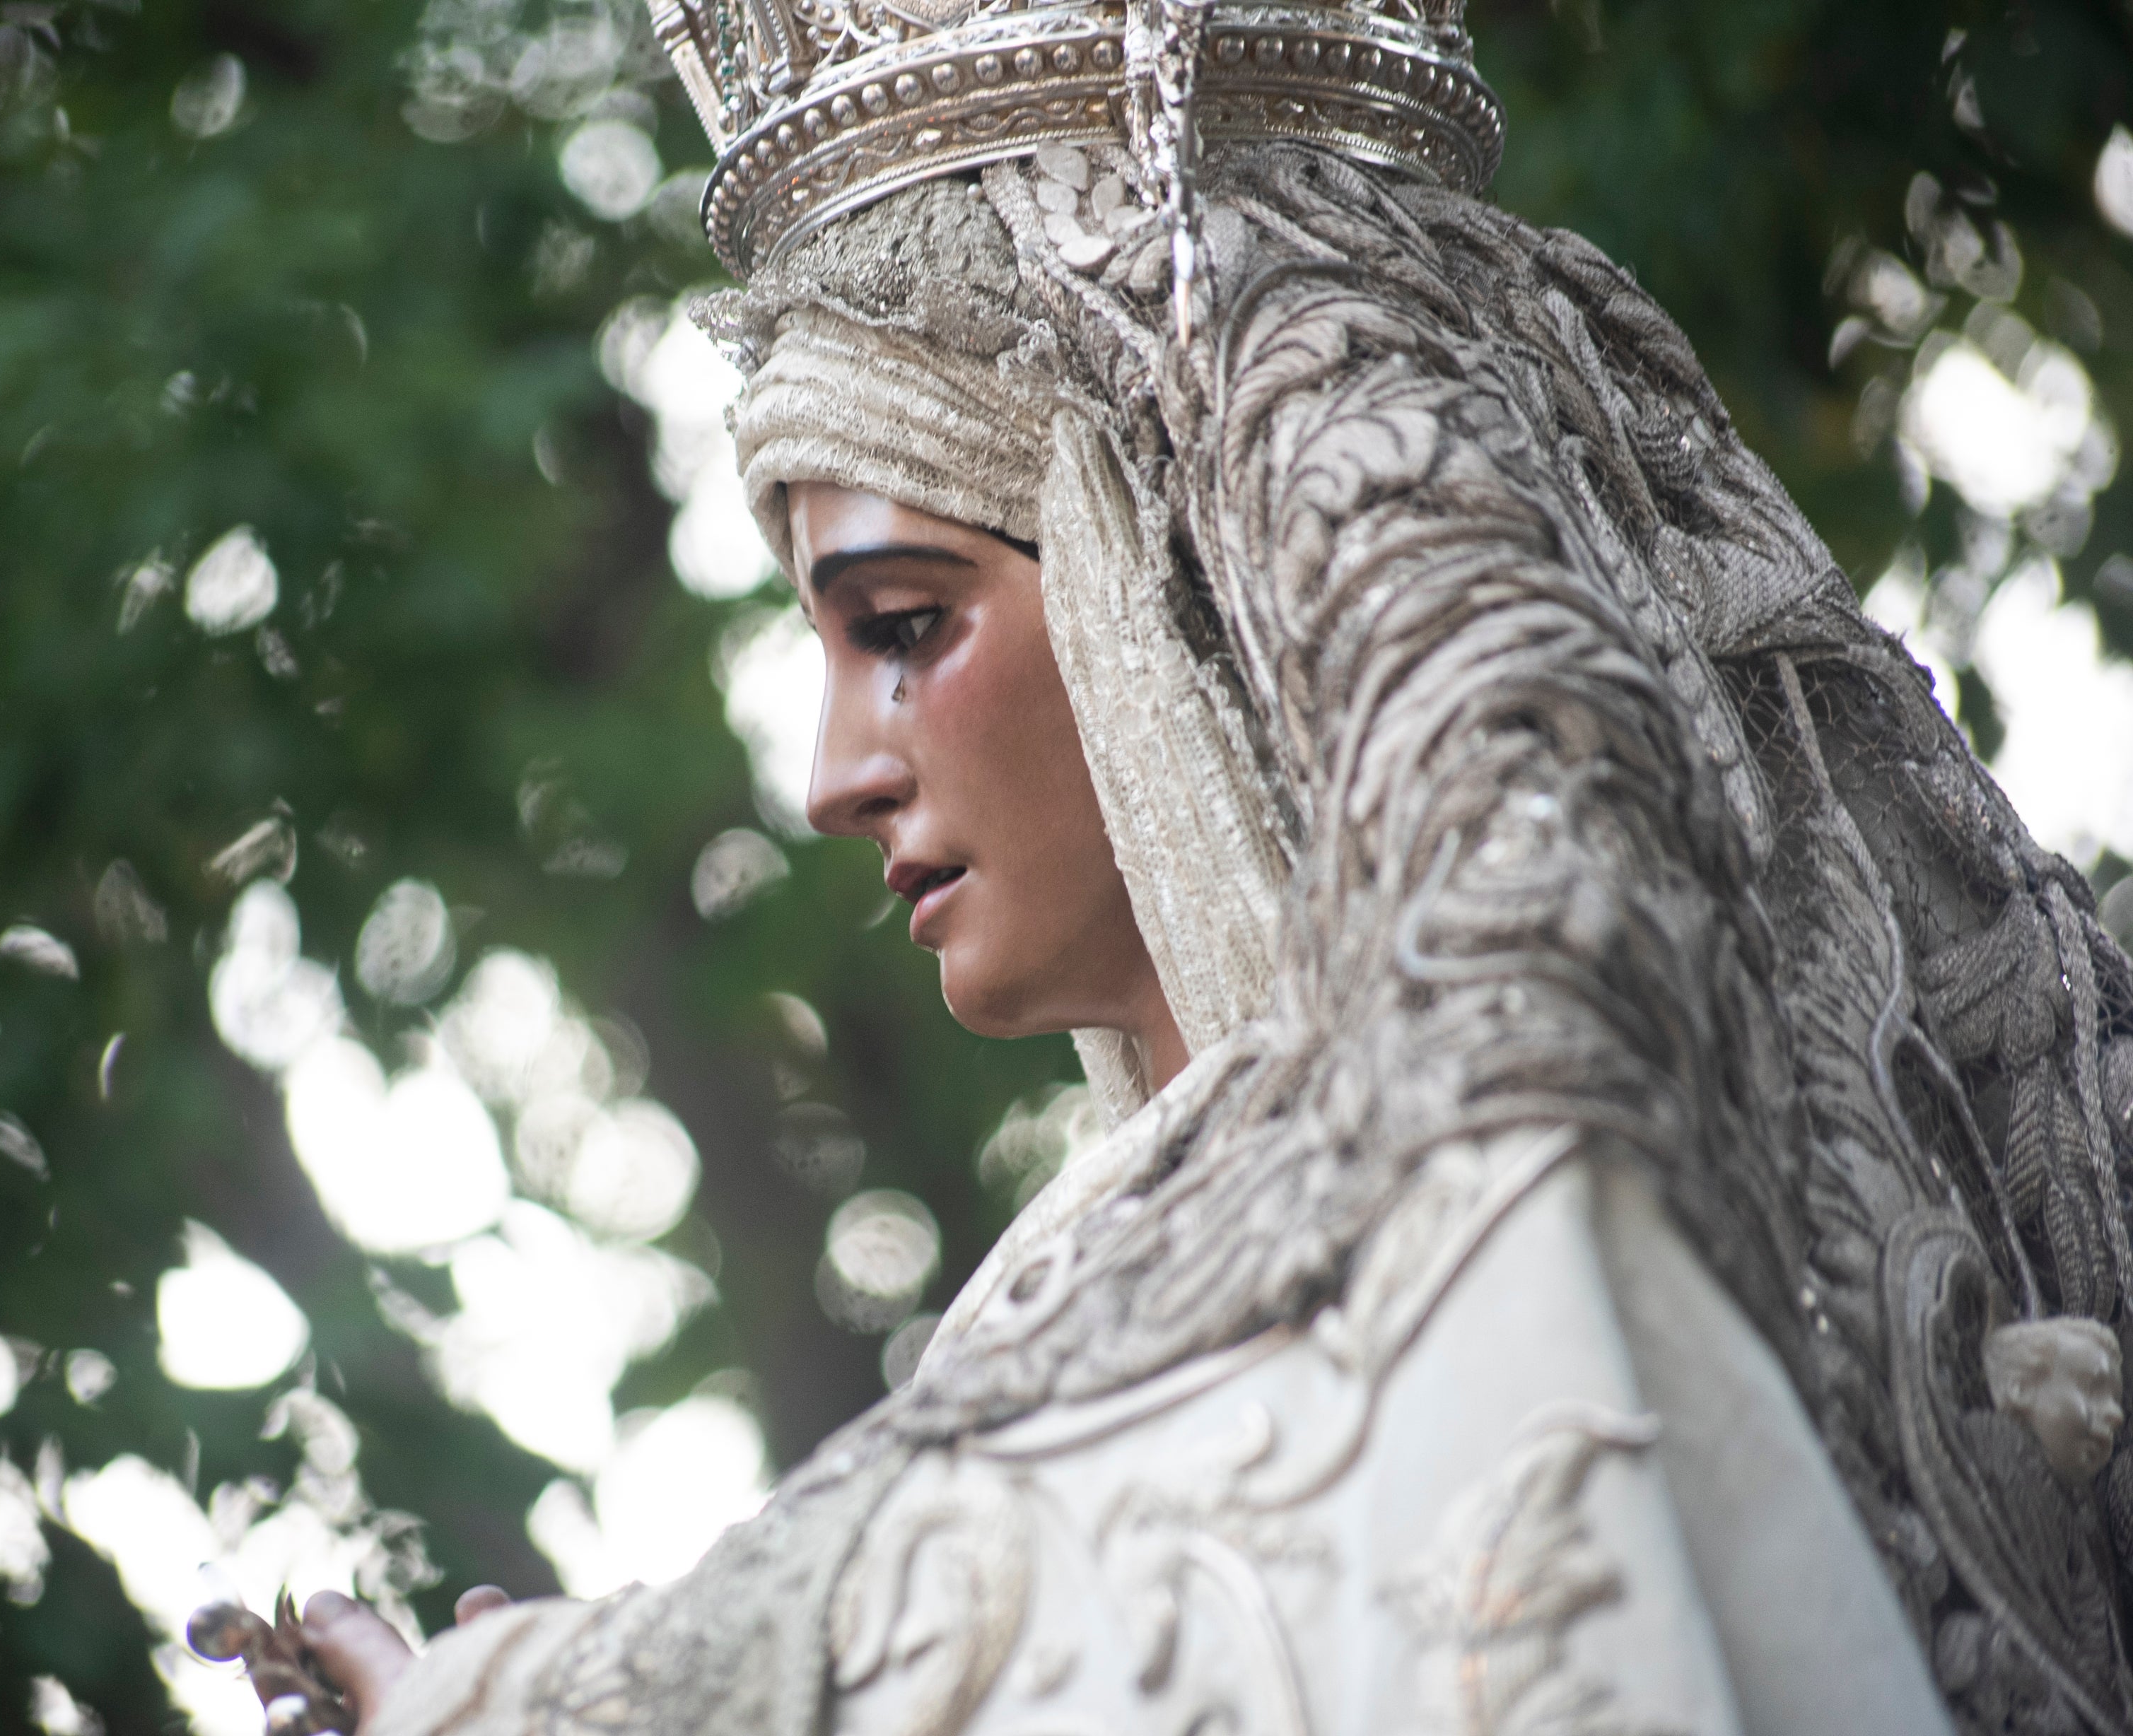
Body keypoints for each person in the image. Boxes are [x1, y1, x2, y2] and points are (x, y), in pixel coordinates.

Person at [233, 1, 2133, 1729]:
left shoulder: (1512, 1193)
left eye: (903, 625)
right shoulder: (1074, 1309)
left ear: (1189, 589)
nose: (830, 778)